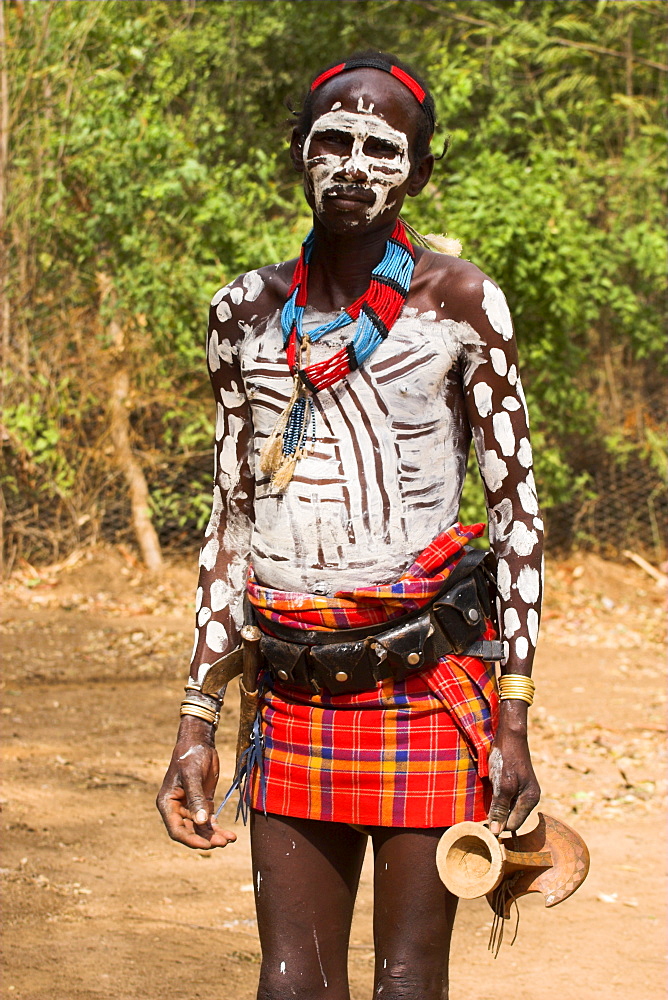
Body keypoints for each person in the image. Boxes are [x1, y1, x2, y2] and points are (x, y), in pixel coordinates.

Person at [157, 51, 542, 1000]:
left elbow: (519, 515)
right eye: (334, 139)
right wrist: (197, 717)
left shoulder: (459, 304)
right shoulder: (245, 313)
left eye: (384, 147)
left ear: (417, 169)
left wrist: (516, 718)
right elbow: (231, 523)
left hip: (428, 676)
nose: (356, 165)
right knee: (292, 983)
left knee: (408, 982)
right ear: (299, 151)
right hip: (290, 681)